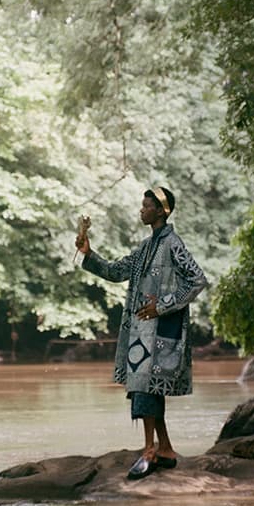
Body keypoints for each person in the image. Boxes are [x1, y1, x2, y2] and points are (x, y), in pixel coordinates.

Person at [76, 186, 207, 479]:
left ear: (162, 211)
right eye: (143, 205)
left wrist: (163, 305)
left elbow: (197, 280)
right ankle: (166, 450)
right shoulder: (147, 246)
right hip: (142, 333)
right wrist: (88, 253)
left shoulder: (173, 243)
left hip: (161, 331)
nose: (142, 209)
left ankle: (150, 450)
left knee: (147, 388)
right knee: (143, 388)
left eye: (147, 206)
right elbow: (115, 271)